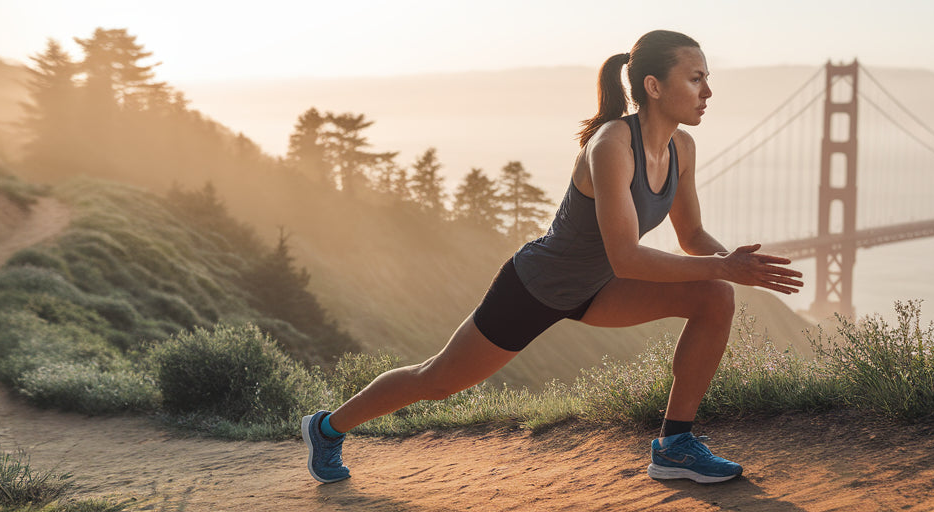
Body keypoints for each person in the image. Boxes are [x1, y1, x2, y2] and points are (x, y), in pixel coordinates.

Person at [303, 29, 804, 485]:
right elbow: (627, 256)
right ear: (653, 86)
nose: (708, 92)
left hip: (599, 289)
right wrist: (724, 266)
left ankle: (675, 445)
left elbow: (691, 234)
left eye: (707, 79)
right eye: (696, 79)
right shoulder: (612, 145)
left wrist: (739, 266)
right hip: (536, 287)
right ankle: (327, 427)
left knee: (715, 296)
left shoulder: (683, 148)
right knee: (436, 380)